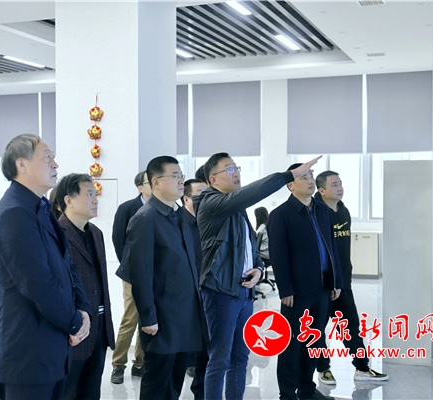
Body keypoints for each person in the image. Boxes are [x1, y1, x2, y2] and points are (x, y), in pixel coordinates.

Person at [193, 153, 321, 400]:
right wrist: (289, 175)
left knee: (241, 356)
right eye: (230, 169)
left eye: (237, 168)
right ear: (213, 179)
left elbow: (250, 247)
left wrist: (259, 269)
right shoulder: (210, 203)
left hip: (244, 290)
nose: (237, 173)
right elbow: (254, 193)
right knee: (220, 358)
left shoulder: (237, 209)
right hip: (220, 291)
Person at [0, 133, 91, 400]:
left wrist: (83, 310)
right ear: (22, 164)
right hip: (27, 355)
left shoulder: (41, 208)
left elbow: (67, 264)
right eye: (47, 157)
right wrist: (75, 322)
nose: (55, 164)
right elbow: (37, 284)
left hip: (52, 349)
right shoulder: (13, 213)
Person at [124, 156, 205, 400]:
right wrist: (148, 317)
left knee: (174, 383)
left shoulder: (178, 215)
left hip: (185, 315)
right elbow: (140, 273)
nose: (181, 181)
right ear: (156, 182)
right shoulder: (145, 218)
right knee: (157, 384)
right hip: (162, 318)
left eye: (181, 175)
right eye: (175, 176)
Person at [266, 163, 344, 400]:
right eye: (304, 178)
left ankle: (307, 389)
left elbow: (332, 248)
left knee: (314, 339)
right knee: (292, 344)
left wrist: (336, 281)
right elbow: (278, 256)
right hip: (297, 291)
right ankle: (287, 394)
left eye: (311, 176)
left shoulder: (322, 211)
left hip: (322, 288)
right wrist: (285, 289)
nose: (310, 181)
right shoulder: (280, 215)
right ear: (290, 185)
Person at [314, 171, 388, 384]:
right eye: (334, 185)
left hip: (343, 282)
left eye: (340, 184)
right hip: (322, 284)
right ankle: (323, 369)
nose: (340, 188)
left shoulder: (343, 210)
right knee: (318, 328)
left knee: (351, 326)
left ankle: (362, 368)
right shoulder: (316, 214)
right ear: (322, 190)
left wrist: (343, 280)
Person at [55, 173, 116, 400]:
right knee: (66, 393)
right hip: (73, 331)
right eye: (89, 194)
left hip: (98, 329)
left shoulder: (96, 233)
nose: (95, 199)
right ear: (68, 200)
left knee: (91, 393)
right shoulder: (56, 235)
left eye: (95, 194)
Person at [110, 171, 151, 383]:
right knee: (130, 319)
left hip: (153, 274)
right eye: (150, 181)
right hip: (133, 273)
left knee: (148, 318)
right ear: (140, 187)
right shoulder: (127, 208)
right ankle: (118, 365)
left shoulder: (162, 208)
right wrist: (128, 264)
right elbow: (118, 240)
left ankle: (139, 363)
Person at [181, 178, 208, 400]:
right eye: (200, 193)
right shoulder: (177, 223)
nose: (205, 198)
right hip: (184, 297)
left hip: (208, 294)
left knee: (206, 352)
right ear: (186, 199)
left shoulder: (209, 221)